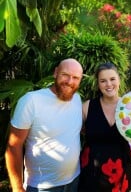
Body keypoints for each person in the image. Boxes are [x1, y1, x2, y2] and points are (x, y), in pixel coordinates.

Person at [78, 62, 131, 192]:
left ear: (119, 80)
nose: (109, 84)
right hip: (91, 174)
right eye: (103, 81)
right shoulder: (87, 107)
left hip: (121, 175)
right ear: (98, 84)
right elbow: (70, 131)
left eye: (112, 79)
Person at [5, 58, 83, 192]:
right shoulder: (31, 101)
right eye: (65, 75)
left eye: (75, 77)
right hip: (42, 187)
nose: (70, 81)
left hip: (74, 181)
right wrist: (17, 188)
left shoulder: (77, 99)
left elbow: (74, 130)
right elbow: (13, 146)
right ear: (56, 72)